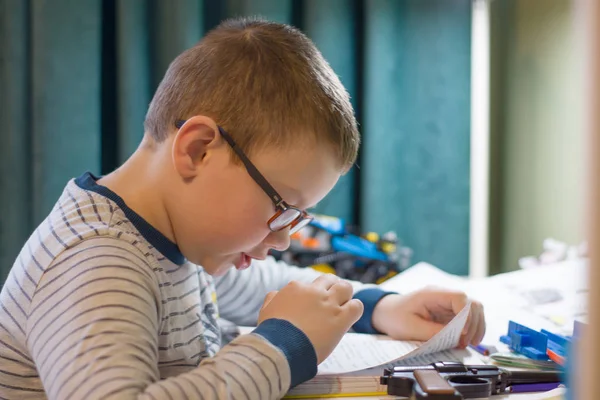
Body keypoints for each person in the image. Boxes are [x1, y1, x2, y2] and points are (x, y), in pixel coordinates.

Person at [0, 17, 485, 399]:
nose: (283, 238)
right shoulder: (97, 261)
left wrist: (381, 307)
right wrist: (285, 344)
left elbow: (257, 287)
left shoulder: (176, 239)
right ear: (198, 150)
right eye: (281, 207)